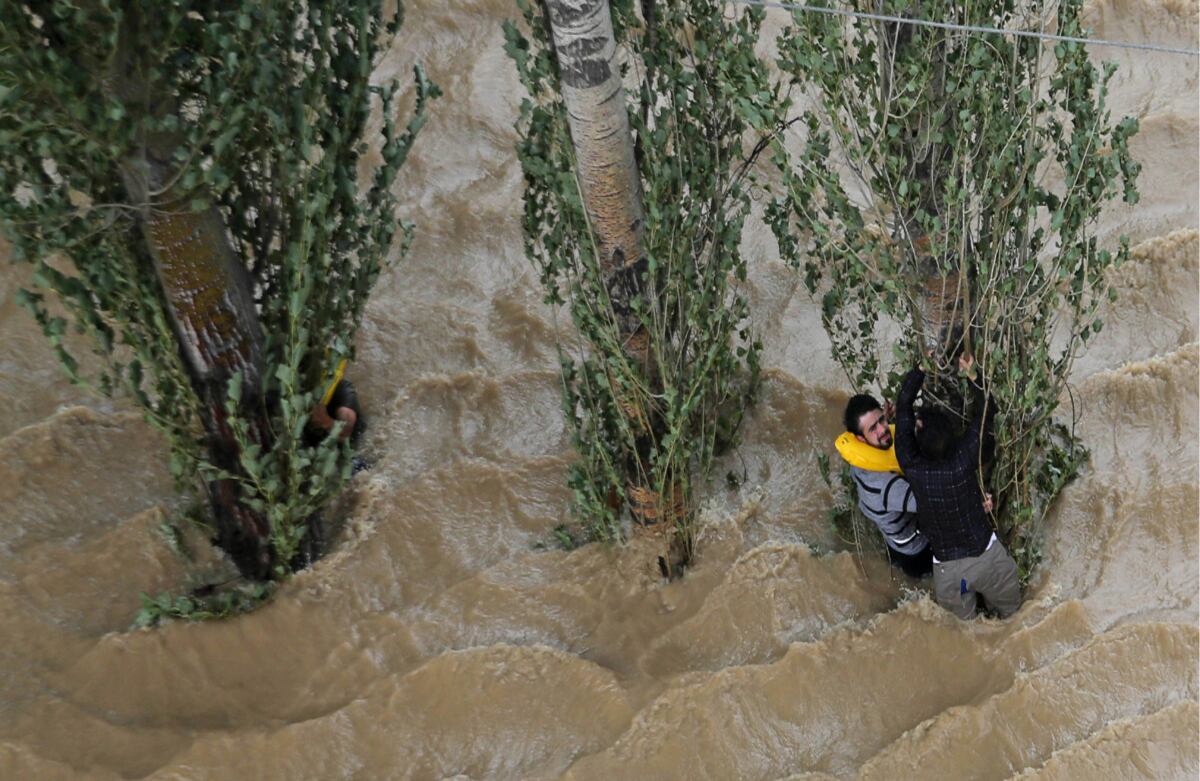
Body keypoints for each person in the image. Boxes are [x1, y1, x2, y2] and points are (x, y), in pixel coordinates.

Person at [894, 353, 1021, 619]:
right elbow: (988, 408)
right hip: (988, 562)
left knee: (965, 634)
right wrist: (973, 375)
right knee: (1014, 619)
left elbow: (903, 406)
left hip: (952, 576)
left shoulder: (912, 466)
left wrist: (920, 369)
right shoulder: (963, 460)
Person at [837, 395, 933, 578]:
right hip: (915, 550)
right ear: (860, 439)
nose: (882, 429)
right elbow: (932, 503)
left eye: (881, 420)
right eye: (873, 428)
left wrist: (891, 417)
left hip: (893, 536)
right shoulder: (885, 487)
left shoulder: (858, 458)